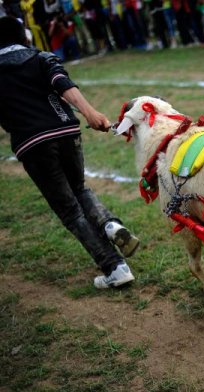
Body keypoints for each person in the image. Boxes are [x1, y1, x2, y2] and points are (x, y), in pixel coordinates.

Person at [0, 16, 139, 288]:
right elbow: (65, 86)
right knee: (80, 188)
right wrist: (90, 113)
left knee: (70, 211)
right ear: (23, 37)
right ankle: (110, 224)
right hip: (66, 131)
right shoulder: (41, 57)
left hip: (32, 143)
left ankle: (115, 267)